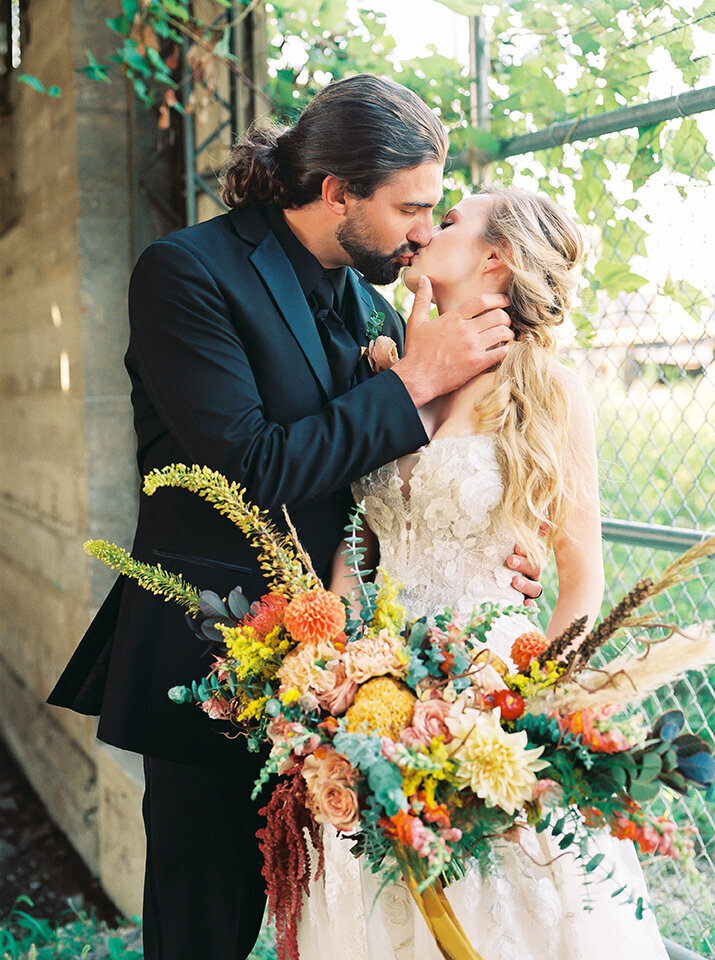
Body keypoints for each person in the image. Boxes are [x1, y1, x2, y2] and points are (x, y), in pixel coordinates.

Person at [46, 75, 543, 960]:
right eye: (410, 207)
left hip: (350, 677)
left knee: (320, 928)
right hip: (216, 659)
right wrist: (413, 382)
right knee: (204, 929)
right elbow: (249, 468)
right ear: (335, 191)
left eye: (435, 210)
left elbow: (378, 479)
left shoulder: (378, 303)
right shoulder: (186, 273)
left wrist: (486, 542)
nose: (426, 231)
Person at [298, 186, 669, 960]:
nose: (429, 228)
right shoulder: (390, 366)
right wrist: (325, 666)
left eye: (453, 220)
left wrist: (536, 712)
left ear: (495, 258)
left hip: (490, 689)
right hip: (377, 690)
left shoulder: (549, 391)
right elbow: (356, 537)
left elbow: (582, 581)